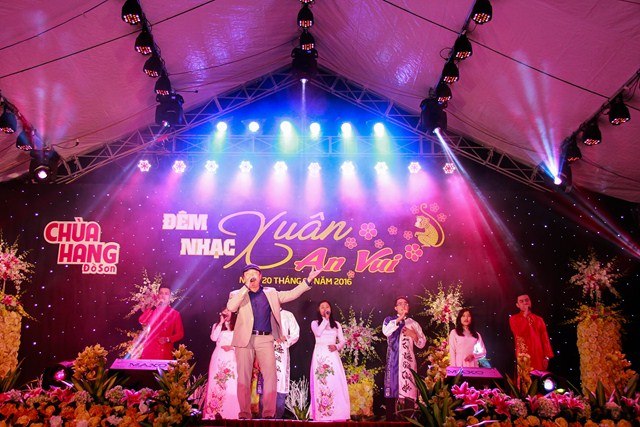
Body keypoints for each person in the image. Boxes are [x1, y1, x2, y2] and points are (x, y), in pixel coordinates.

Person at [226, 263, 322, 420]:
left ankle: (269, 414)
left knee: (270, 376)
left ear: (260, 276)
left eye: (254, 273)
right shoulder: (237, 293)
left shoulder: (270, 293)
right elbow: (231, 307)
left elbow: (292, 294)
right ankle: (244, 414)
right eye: (247, 274)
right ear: (243, 278)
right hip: (244, 339)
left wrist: (308, 280)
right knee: (243, 377)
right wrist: (246, 287)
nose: (251, 276)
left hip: (265, 339)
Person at [382, 296, 426, 421]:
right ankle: (390, 421)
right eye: (400, 304)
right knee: (392, 391)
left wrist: (414, 335)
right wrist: (400, 318)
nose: (403, 305)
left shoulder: (413, 323)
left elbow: (422, 343)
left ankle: (408, 421)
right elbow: (386, 332)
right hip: (393, 363)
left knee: (409, 392)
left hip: (408, 363)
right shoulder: (389, 320)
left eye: (405, 303)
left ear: (409, 307)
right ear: (395, 308)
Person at [309, 300, 350, 421]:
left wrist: (336, 346)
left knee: (335, 382)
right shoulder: (315, 323)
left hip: (332, 356)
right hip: (320, 356)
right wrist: (325, 320)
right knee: (321, 383)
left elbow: (342, 341)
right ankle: (321, 413)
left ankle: (338, 413)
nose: (325, 309)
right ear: (319, 310)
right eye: (322, 307)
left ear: (330, 309)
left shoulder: (336, 324)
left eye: (327, 307)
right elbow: (318, 333)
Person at [203, 308, 240, 420]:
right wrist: (220, 323)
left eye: (229, 310)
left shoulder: (238, 326)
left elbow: (242, 342)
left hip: (231, 358)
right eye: (225, 310)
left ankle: (231, 414)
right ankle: (213, 414)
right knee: (216, 384)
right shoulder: (217, 325)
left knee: (231, 385)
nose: (226, 312)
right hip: (218, 357)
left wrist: (232, 347)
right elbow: (213, 338)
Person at [509, 294, 553, 371]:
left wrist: (547, 357)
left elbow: (545, 339)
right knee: (525, 376)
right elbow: (519, 332)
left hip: (539, 356)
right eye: (521, 301)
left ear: (530, 301)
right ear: (517, 305)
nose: (525, 302)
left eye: (527, 300)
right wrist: (525, 315)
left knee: (539, 376)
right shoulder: (514, 319)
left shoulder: (539, 319)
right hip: (524, 356)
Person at [138, 287, 184, 359]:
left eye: (166, 294)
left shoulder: (175, 314)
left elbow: (180, 334)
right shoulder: (152, 310)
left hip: (165, 350)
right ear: (158, 296)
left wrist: (168, 339)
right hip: (150, 349)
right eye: (161, 293)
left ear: (170, 297)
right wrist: (154, 306)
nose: (163, 296)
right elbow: (142, 320)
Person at [274, 308, 300, 418]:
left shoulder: (288, 314)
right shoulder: (265, 312)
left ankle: (278, 418)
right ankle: (264, 419)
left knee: (280, 381)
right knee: (265, 383)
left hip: (281, 351)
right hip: (266, 349)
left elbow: (295, 332)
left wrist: (286, 339)